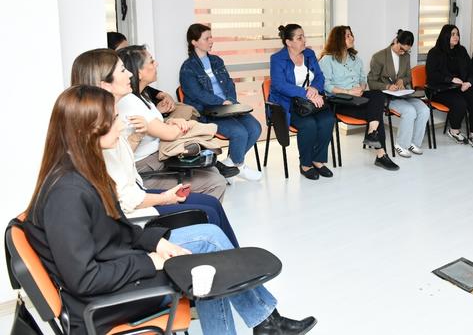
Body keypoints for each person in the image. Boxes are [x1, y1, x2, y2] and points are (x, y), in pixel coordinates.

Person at [22, 85, 316, 335]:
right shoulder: (67, 194)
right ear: (87, 130)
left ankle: (265, 322)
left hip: (118, 268)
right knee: (206, 264)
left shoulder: (83, 170)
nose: (121, 125)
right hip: (106, 300)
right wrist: (150, 262)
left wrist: (157, 243)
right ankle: (266, 322)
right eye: (114, 119)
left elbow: (115, 228)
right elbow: (85, 279)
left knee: (209, 238)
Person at [71, 48, 239, 247]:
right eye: (123, 70)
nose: (130, 74)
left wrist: (140, 135)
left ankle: (232, 256)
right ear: (104, 84)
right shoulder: (105, 132)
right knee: (209, 209)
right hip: (134, 213)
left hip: (138, 192)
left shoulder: (113, 117)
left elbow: (125, 168)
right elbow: (125, 199)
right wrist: (165, 198)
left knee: (211, 204)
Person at [117, 45, 229, 200]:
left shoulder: (142, 96)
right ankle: (194, 214)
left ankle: (201, 212)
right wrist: (186, 124)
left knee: (213, 172)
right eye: (151, 61)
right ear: (139, 72)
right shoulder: (130, 101)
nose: (156, 64)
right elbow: (169, 134)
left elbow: (157, 126)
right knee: (216, 182)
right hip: (146, 168)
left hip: (156, 158)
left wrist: (172, 121)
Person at [179, 24, 263, 181]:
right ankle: (239, 166)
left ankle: (230, 163)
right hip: (207, 111)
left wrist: (230, 101)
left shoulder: (217, 61)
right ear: (194, 42)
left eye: (211, 37)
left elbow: (229, 83)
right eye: (206, 38)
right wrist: (221, 102)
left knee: (255, 128)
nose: (211, 41)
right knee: (239, 132)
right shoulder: (187, 68)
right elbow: (197, 94)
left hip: (227, 106)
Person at [319, 25, 400, 171]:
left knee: (378, 94)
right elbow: (326, 85)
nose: (352, 38)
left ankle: (372, 133)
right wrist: (348, 91)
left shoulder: (355, 59)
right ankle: (381, 154)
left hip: (358, 98)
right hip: (339, 100)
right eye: (348, 36)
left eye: (351, 35)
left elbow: (363, 79)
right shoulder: (327, 60)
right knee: (376, 114)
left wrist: (361, 88)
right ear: (338, 39)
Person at [269, 24, 335, 180]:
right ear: (288, 42)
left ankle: (317, 160)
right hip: (287, 104)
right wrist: (306, 93)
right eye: (299, 38)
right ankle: (305, 164)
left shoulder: (309, 54)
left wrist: (314, 88)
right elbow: (279, 85)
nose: (304, 40)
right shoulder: (277, 59)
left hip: (311, 102)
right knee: (309, 124)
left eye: (304, 36)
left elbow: (319, 76)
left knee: (328, 120)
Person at [367, 29, 429, 157]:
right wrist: (387, 86)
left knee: (424, 110)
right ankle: (401, 145)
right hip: (387, 97)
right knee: (410, 111)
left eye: (406, 51)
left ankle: (414, 143)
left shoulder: (406, 56)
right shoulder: (379, 57)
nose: (403, 52)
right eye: (401, 49)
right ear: (395, 41)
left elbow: (408, 77)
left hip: (403, 94)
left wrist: (402, 80)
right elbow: (371, 82)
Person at [425, 24, 473, 148]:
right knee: (460, 102)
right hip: (439, 89)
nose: (456, 37)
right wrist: (450, 79)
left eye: (457, 34)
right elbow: (432, 75)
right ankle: (454, 131)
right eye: (452, 34)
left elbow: (471, 70)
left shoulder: (461, 50)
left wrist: (469, 82)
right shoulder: (434, 52)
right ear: (445, 36)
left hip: (459, 87)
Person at [107, 32, 178, 116]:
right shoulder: (129, 99)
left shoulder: (143, 92)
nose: (156, 64)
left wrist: (163, 97)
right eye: (151, 62)